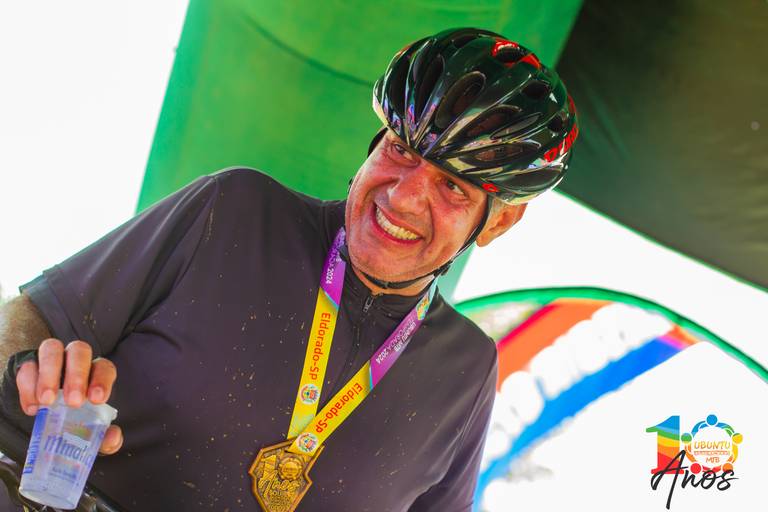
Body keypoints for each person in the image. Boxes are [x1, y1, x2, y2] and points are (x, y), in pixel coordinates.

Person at [0, 27, 577, 511]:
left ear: (499, 221)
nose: (402, 198)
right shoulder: (234, 210)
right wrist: (28, 367)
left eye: (451, 186)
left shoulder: (467, 371)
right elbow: (31, 322)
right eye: (401, 151)